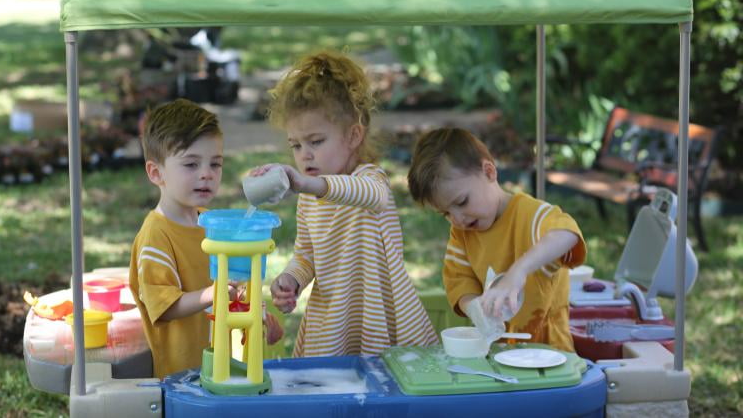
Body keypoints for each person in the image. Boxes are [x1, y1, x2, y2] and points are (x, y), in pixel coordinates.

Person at [252, 51, 439, 357]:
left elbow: (367, 194)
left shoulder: (371, 179)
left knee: (387, 390)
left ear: (353, 136)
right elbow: (306, 256)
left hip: (381, 316)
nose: (304, 155)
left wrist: (306, 184)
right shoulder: (310, 199)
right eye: (296, 145)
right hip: (333, 319)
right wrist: (291, 280)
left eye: (316, 141)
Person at [128, 99, 281, 378]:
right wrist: (212, 293)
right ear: (156, 172)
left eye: (215, 163)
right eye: (191, 164)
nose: (206, 174)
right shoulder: (155, 235)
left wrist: (257, 315)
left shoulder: (211, 223)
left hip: (226, 368)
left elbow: (234, 284)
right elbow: (163, 306)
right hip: (184, 377)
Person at [407, 127, 586, 351]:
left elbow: (567, 234)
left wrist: (518, 271)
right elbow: (459, 282)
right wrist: (475, 308)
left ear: (489, 172)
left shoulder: (533, 216)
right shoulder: (463, 233)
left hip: (550, 357)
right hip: (498, 357)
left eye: (462, 202)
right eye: (446, 213)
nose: (457, 219)